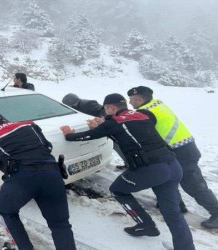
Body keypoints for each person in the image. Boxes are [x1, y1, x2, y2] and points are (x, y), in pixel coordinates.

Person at [61, 93, 195, 250]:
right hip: (173, 166)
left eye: (106, 109)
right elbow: (128, 132)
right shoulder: (141, 115)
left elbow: (83, 136)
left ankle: (145, 224)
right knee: (173, 213)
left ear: (111, 107)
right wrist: (103, 126)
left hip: (153, 170)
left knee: (118, 190)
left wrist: (68, 134)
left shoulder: (113, 122)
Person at [0, 112, 76, 250]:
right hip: (51, 174)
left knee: (7, 211)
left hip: (22, 179)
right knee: (60, 224)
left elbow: (2, 165)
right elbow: (48, 146)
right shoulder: (28, 124)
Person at [128, 86, 218, 229]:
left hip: (181, 152)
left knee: (193, 185)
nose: (130, 102)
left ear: (139, 99)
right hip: (182, 148)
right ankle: (176, 204)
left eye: (131, 99)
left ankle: (216, 212)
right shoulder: (157, 104)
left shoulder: (145, 112)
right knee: (168, 178)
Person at [62, 93, 128, 170]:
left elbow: (102, 110)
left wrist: (103, 120)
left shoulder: (88, 104)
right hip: (101, 126)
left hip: (106, 126)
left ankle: (129, 163)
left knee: (118, 145)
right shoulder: (76, 108)